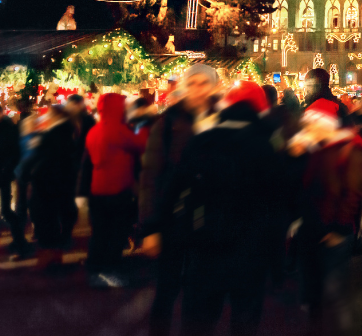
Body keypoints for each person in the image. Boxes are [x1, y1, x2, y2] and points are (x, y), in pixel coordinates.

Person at [171, 80, 276, 336]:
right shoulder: (266, 145)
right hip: (250, 246)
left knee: (200, 318)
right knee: (244, 318)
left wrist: (179, 237)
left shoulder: (203, 140)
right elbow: (277, 201)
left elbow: (178, 189)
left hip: (206, 241)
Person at [140, 64, 219, 336]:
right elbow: (151, 175)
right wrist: (150, 228)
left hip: (209, 222)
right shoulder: (168, 122)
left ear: (213, 87)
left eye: (204, 83)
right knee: (165, 290)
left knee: (201, 295)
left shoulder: (222, 122)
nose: (198, 89)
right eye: (193, 83)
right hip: (172, 218)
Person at [296, 99, 362, 335]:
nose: (307, 128)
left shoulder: (347, 148)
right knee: (314, 292)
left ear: (325, 124)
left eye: (312, 122)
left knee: (334, 293)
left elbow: (353, 192)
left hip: (334, 232)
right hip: (311, 230)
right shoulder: (312, 149)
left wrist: (338, 230)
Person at [85, 93, 146, 287]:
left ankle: (95, 270)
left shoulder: (95, 130)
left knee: (100, 234)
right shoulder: (117, 130)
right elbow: (141, 144)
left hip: (98, 190)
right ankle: (109, 272)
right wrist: (144, 123)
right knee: (116, 235)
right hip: (117, 191)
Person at [28, 104, 78, 271]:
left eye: (49, 114)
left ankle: (48, 257)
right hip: (57, 183)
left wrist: (34, 174)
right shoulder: (65, 131)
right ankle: (54, 256)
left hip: (48, 184)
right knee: (51, 219)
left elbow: (47, 160)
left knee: (45, 219)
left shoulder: (56, 133)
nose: (46, 117)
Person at [0, 98, 28, 259]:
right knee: (6, 210)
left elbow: (12, 153)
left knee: (6, 210)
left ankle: (20, 240)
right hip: (4, 172)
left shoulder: (8, 128)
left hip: (4, 173)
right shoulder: (7, 127)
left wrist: (6, 169)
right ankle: (19, 240)